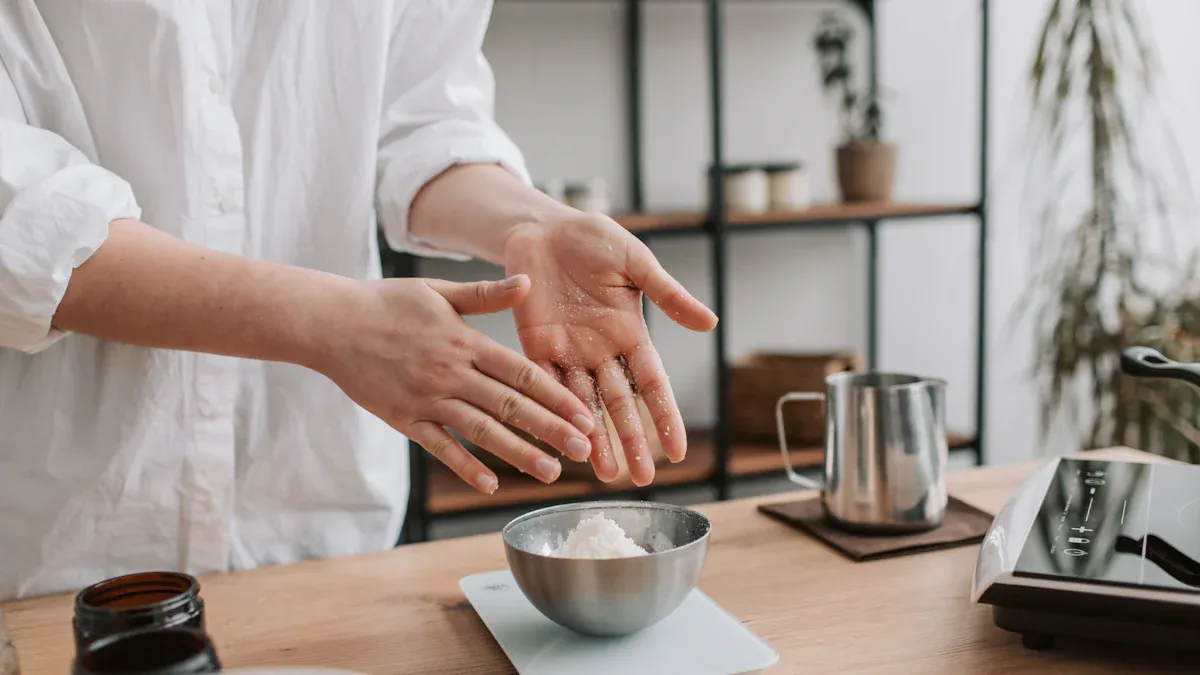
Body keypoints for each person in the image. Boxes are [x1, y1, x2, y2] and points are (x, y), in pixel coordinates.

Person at [0, 2, 717, 602]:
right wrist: (329, 325)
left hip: (326, 526)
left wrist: (530, 222)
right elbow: (23, 219)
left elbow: (423, 123)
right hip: (65, 543)